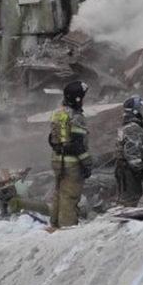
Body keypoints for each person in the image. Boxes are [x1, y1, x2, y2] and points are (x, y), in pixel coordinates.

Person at [48, 81, 92, 228]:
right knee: (70, 195)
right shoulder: (76, 117)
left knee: (58, 194)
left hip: (56, 159)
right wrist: (87, 164)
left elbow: (51, 139)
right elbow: (78, 144)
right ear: (77, 98)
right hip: (71, 163)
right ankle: (66, 227)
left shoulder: (57, 114)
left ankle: (54, 224)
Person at [114, 95, 143, 207]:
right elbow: (132, 151)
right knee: (131, 199)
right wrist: (138, 170)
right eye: (141, 110)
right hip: (128, 170)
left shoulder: (126, 127)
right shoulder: (133, 128)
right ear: (135, 111)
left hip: (123, 168)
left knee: (126, 198)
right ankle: (126, 222)